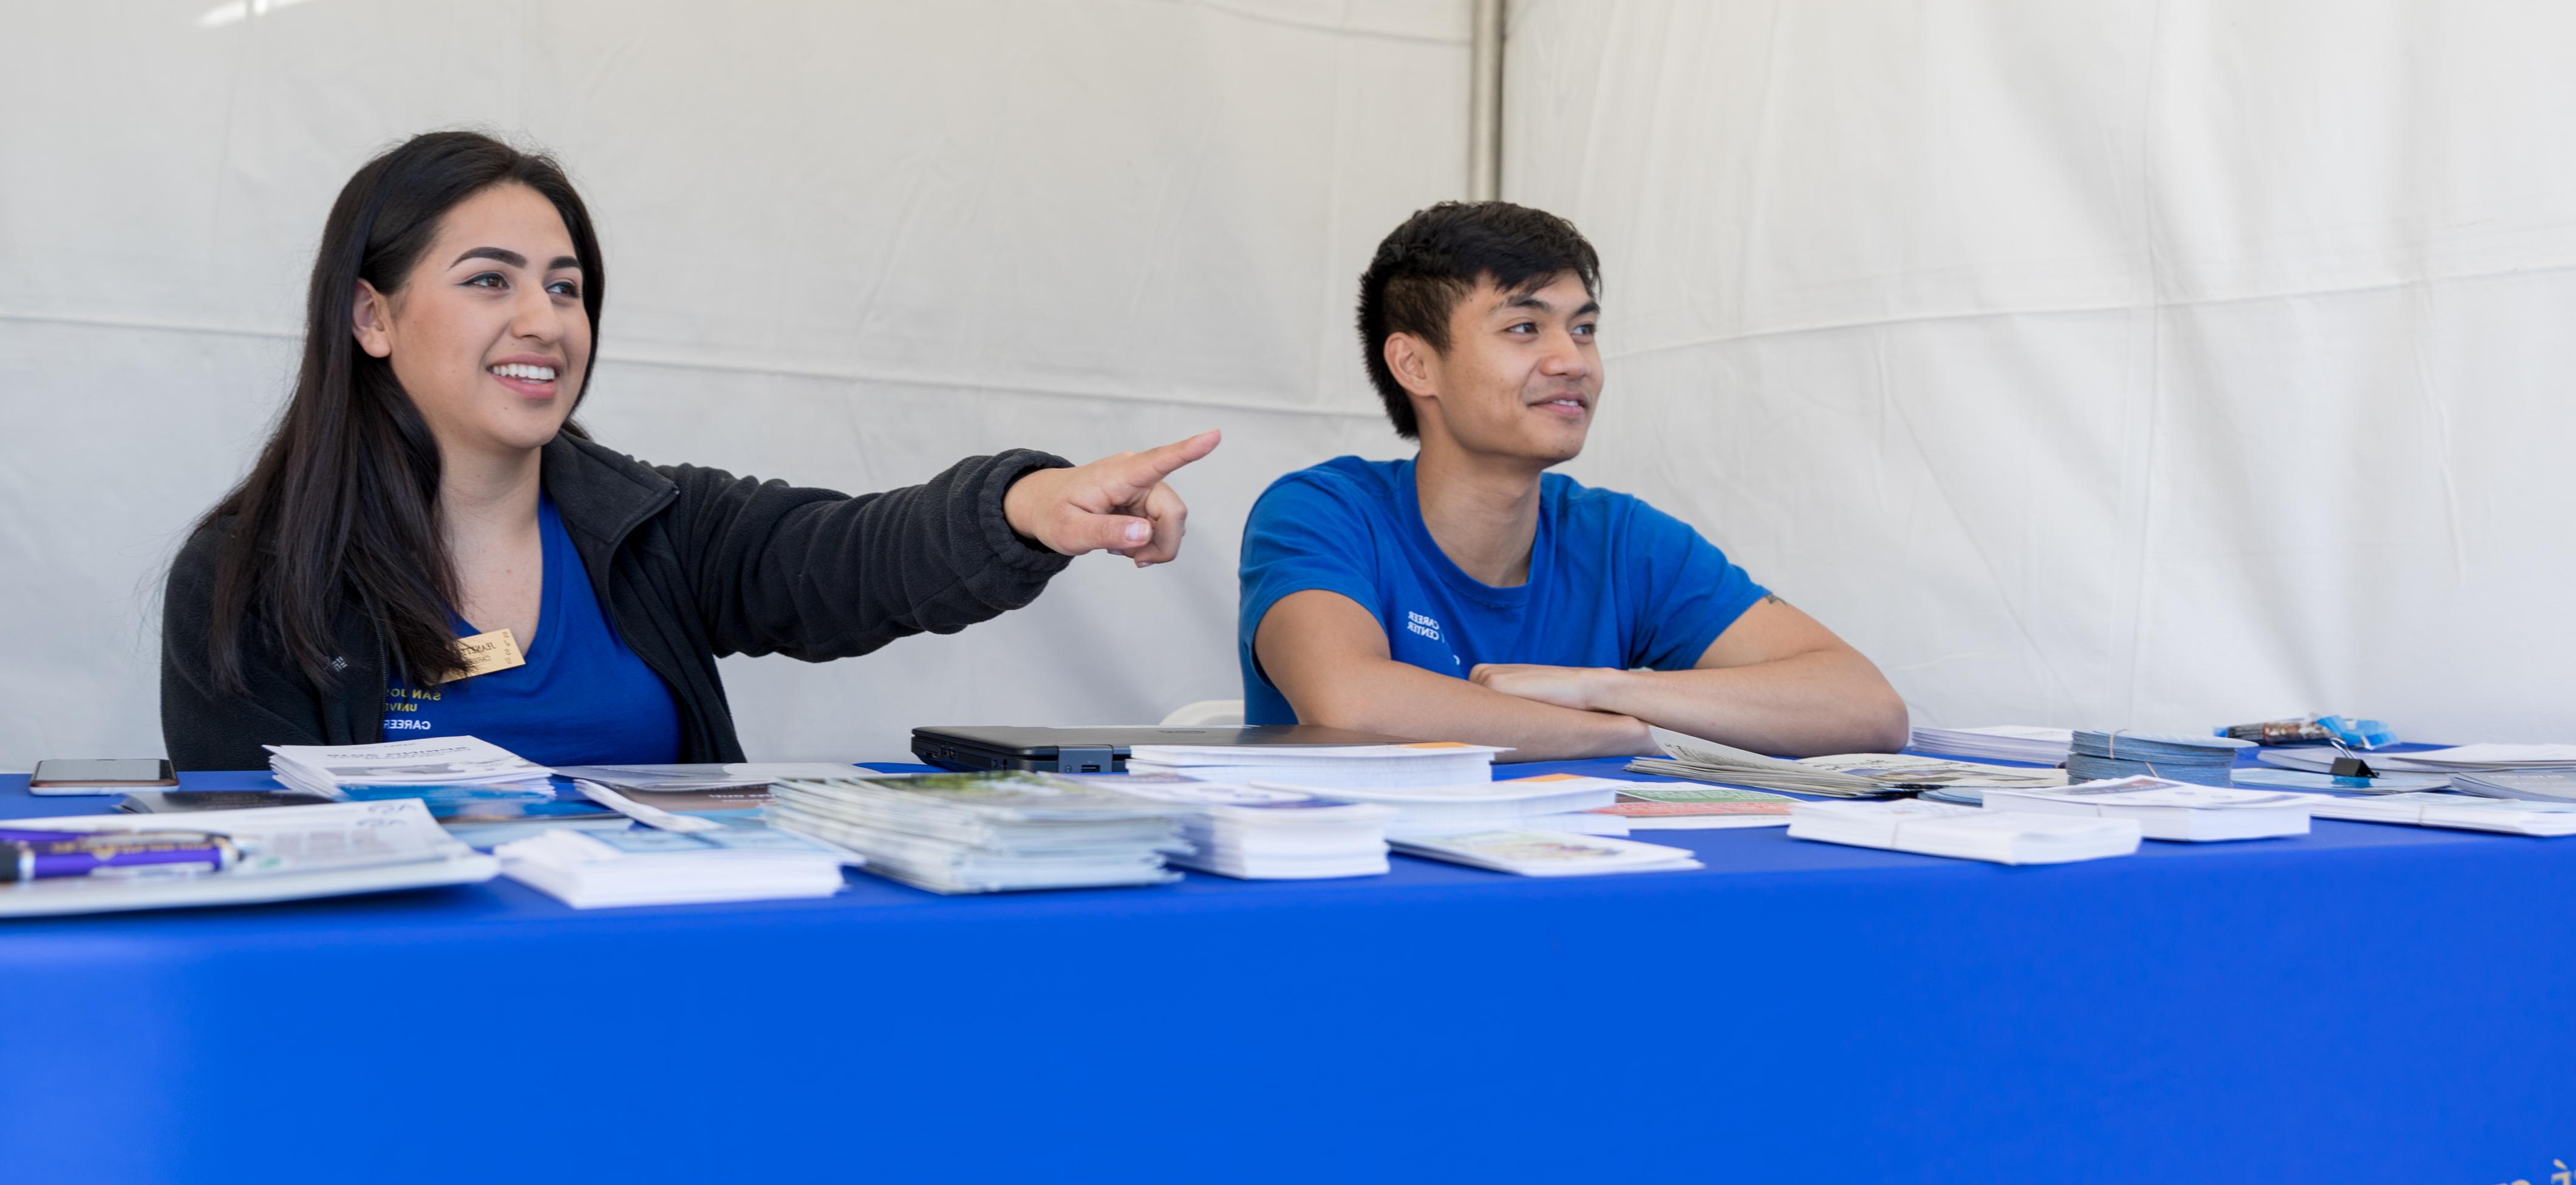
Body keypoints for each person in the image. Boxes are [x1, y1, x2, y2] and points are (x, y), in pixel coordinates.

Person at [162, 131, 1218, 770]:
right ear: (371, 317)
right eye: (490, 280)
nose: (545, 319)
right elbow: (262, 887)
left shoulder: (656, 526)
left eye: (565, 286)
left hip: (662, 1000)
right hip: (398, 1032)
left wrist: (1026, 504)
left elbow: (849, 554)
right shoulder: (251, 577)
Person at [1236, 201, 1907, 760]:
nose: (1572, 360)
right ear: (1415, 365)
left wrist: (1602, 687)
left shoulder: (1619, 537)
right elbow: (1354, 702)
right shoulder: (1319, 511)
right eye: (1525, 327)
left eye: (1583, 329)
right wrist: (1626, 735)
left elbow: (1866, 707)